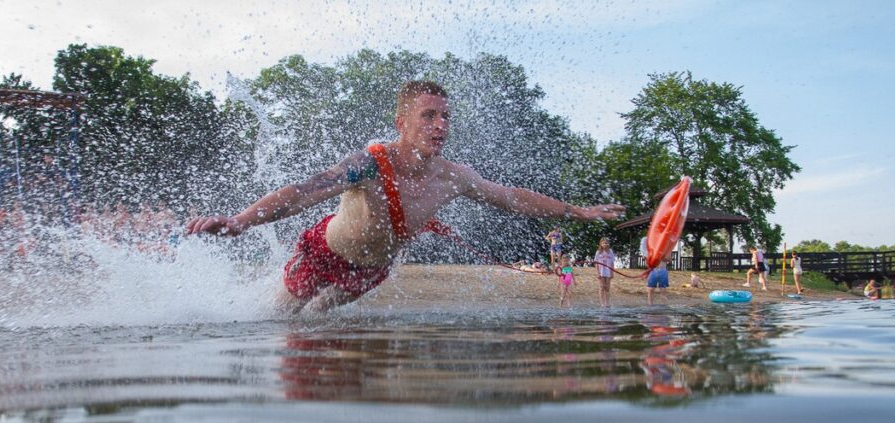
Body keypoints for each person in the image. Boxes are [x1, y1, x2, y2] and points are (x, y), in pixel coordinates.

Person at [186, 81, 625, 314]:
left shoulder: (453, 177)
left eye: (446, 117)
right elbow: (306, 192)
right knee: (280, 322)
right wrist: (241, 220)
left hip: (372, 271)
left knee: (319, 330)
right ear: (402, 121)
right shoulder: (370, 163)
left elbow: (511, 197)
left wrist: (576, 211)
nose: (440, 125)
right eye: (428, 115)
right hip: (324, 253)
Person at [641, 235, 669, 305]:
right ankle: (650, 305)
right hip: (652, 270)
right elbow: (645, 257)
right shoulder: (650, 247)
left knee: (663, 289)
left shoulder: (666, 246)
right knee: (650, 289)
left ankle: (664, 305)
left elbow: (669, 259)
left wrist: (661, 255)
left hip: (663, 270)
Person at [593, 237, 615, 307]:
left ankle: (607, 303)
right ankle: (602, 303)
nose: (605, 244)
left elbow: (612, 262)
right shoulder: (598, 252)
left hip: (608, 271)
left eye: (607, 243)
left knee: (607, 288)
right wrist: (598, 273)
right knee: (602, 287)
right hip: (601, 271)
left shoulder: (610, 251)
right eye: (604, 243)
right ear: (601, 244)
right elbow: (596, 263)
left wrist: (612, 272)